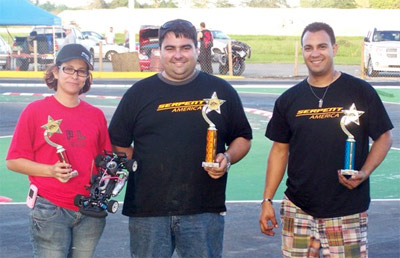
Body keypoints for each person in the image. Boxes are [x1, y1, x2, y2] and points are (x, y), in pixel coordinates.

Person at [108, 19, 252, 257]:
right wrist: (143, 164)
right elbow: (118, 142)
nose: (178, 55)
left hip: (203, 209)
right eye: (170, 48)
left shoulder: (222, 91)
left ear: (197, 49)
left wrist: (227, 157)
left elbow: (243, 138)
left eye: (185, 47)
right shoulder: (138, 94)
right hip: (148, 210)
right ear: (159, 51)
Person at [259, 22, 393, 258]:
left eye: (322, 46)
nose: (315, 53)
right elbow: (279, 150)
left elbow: (384, 137)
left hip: (346, 209)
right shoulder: (288, 100)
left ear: (334, 48)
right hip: (298, 208)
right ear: (302, 51)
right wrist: (267, 199)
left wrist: (364, 172)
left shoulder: (360, 91)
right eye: (308, 47)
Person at [6, 44, 111, 258]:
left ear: (87, 77)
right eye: (68, 69)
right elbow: (14, 160)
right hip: (50, 207)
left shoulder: (96, 115)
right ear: (56, 71)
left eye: (81, 71)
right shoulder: (35, 111)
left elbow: (104, 162)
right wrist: (51, 170)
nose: (75, 75)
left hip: (89, 209)